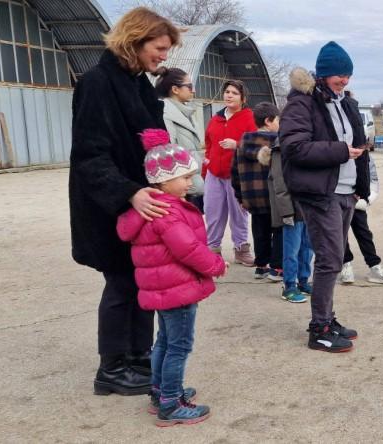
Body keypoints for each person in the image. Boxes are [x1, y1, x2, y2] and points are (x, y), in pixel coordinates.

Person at [69, 7, 179, 396]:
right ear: (136, 40)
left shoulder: (136, 83)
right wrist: (127, 192)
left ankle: (137, 356)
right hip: (111, 205)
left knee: (141, 281)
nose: (164, 56)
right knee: (120, 283)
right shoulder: (98, 83)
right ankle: (112, 368)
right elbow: (89, 154)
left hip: (143, 200)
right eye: (160, 47)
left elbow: (153, 143)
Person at [116, 129, 226, 426]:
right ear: (163, 180)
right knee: (179, 345)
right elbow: (187, 249)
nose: (190, 182)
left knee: (164, 341)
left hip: (165, 289)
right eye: (185, 177)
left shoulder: (153, 208)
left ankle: (159, 390)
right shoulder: (168, 212)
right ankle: (171, 403)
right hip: (178, 289)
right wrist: (215, 265)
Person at [279, 42, 370, 353]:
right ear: (322, 74)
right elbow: (294, 147)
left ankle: (328, 318)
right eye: (338, 74)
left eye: (347, 74)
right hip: (320, 192)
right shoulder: (302, 103)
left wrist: (362, 186)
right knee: (330, 259)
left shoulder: (346, 103)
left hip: (345, 191)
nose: (343, 80)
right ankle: (319, 328)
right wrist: (341, 151)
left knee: (334, 257)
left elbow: (360, 146)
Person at [203, 80, 257, 266]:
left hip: (238, 174)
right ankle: (213, 249)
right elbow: (208, 143)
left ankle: (241, 249)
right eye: (227, 92)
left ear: (243, 98)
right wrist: (207, 164)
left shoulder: (250, 118)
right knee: (213, 212)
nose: (229, 95)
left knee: (239, 213)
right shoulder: (216, 118)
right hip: (214, 174)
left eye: (234, 92)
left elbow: (259, 144)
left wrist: (237, 145)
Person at [232, 102, 284, 281]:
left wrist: (240, 196)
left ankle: (261, 266)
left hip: (252, 197)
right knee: (278, 230)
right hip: (275, 196)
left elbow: (235, 172)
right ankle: (277, 268)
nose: (279, 124)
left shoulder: (242, 142)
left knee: (259, 230)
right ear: (269, 121)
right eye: (277, 120)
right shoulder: (277, 141)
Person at [265, 117, 311, 304]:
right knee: (291, 249)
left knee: (307, 248)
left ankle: (303, 281)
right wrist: (286, 212)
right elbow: (279, 183)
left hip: (307, 206)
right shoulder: (279, 149)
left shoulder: (305, 146)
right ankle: (289, 286)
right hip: (290, 209)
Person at [340, 155, 383, 285]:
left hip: (358, 199)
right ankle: (345, 264)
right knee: (341, 233)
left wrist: (367, 199)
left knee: (363, 233)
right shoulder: (339, 151)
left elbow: (373, 179)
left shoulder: (367, 157)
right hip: (340, 198)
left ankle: (374, 266)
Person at [155, 67, 205, 210]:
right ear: (175, 89)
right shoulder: (166, 113)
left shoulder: (185, 112)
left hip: (189, 184)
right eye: (189, 86)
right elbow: (168, 154)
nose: (193, 90)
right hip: (179, 189)